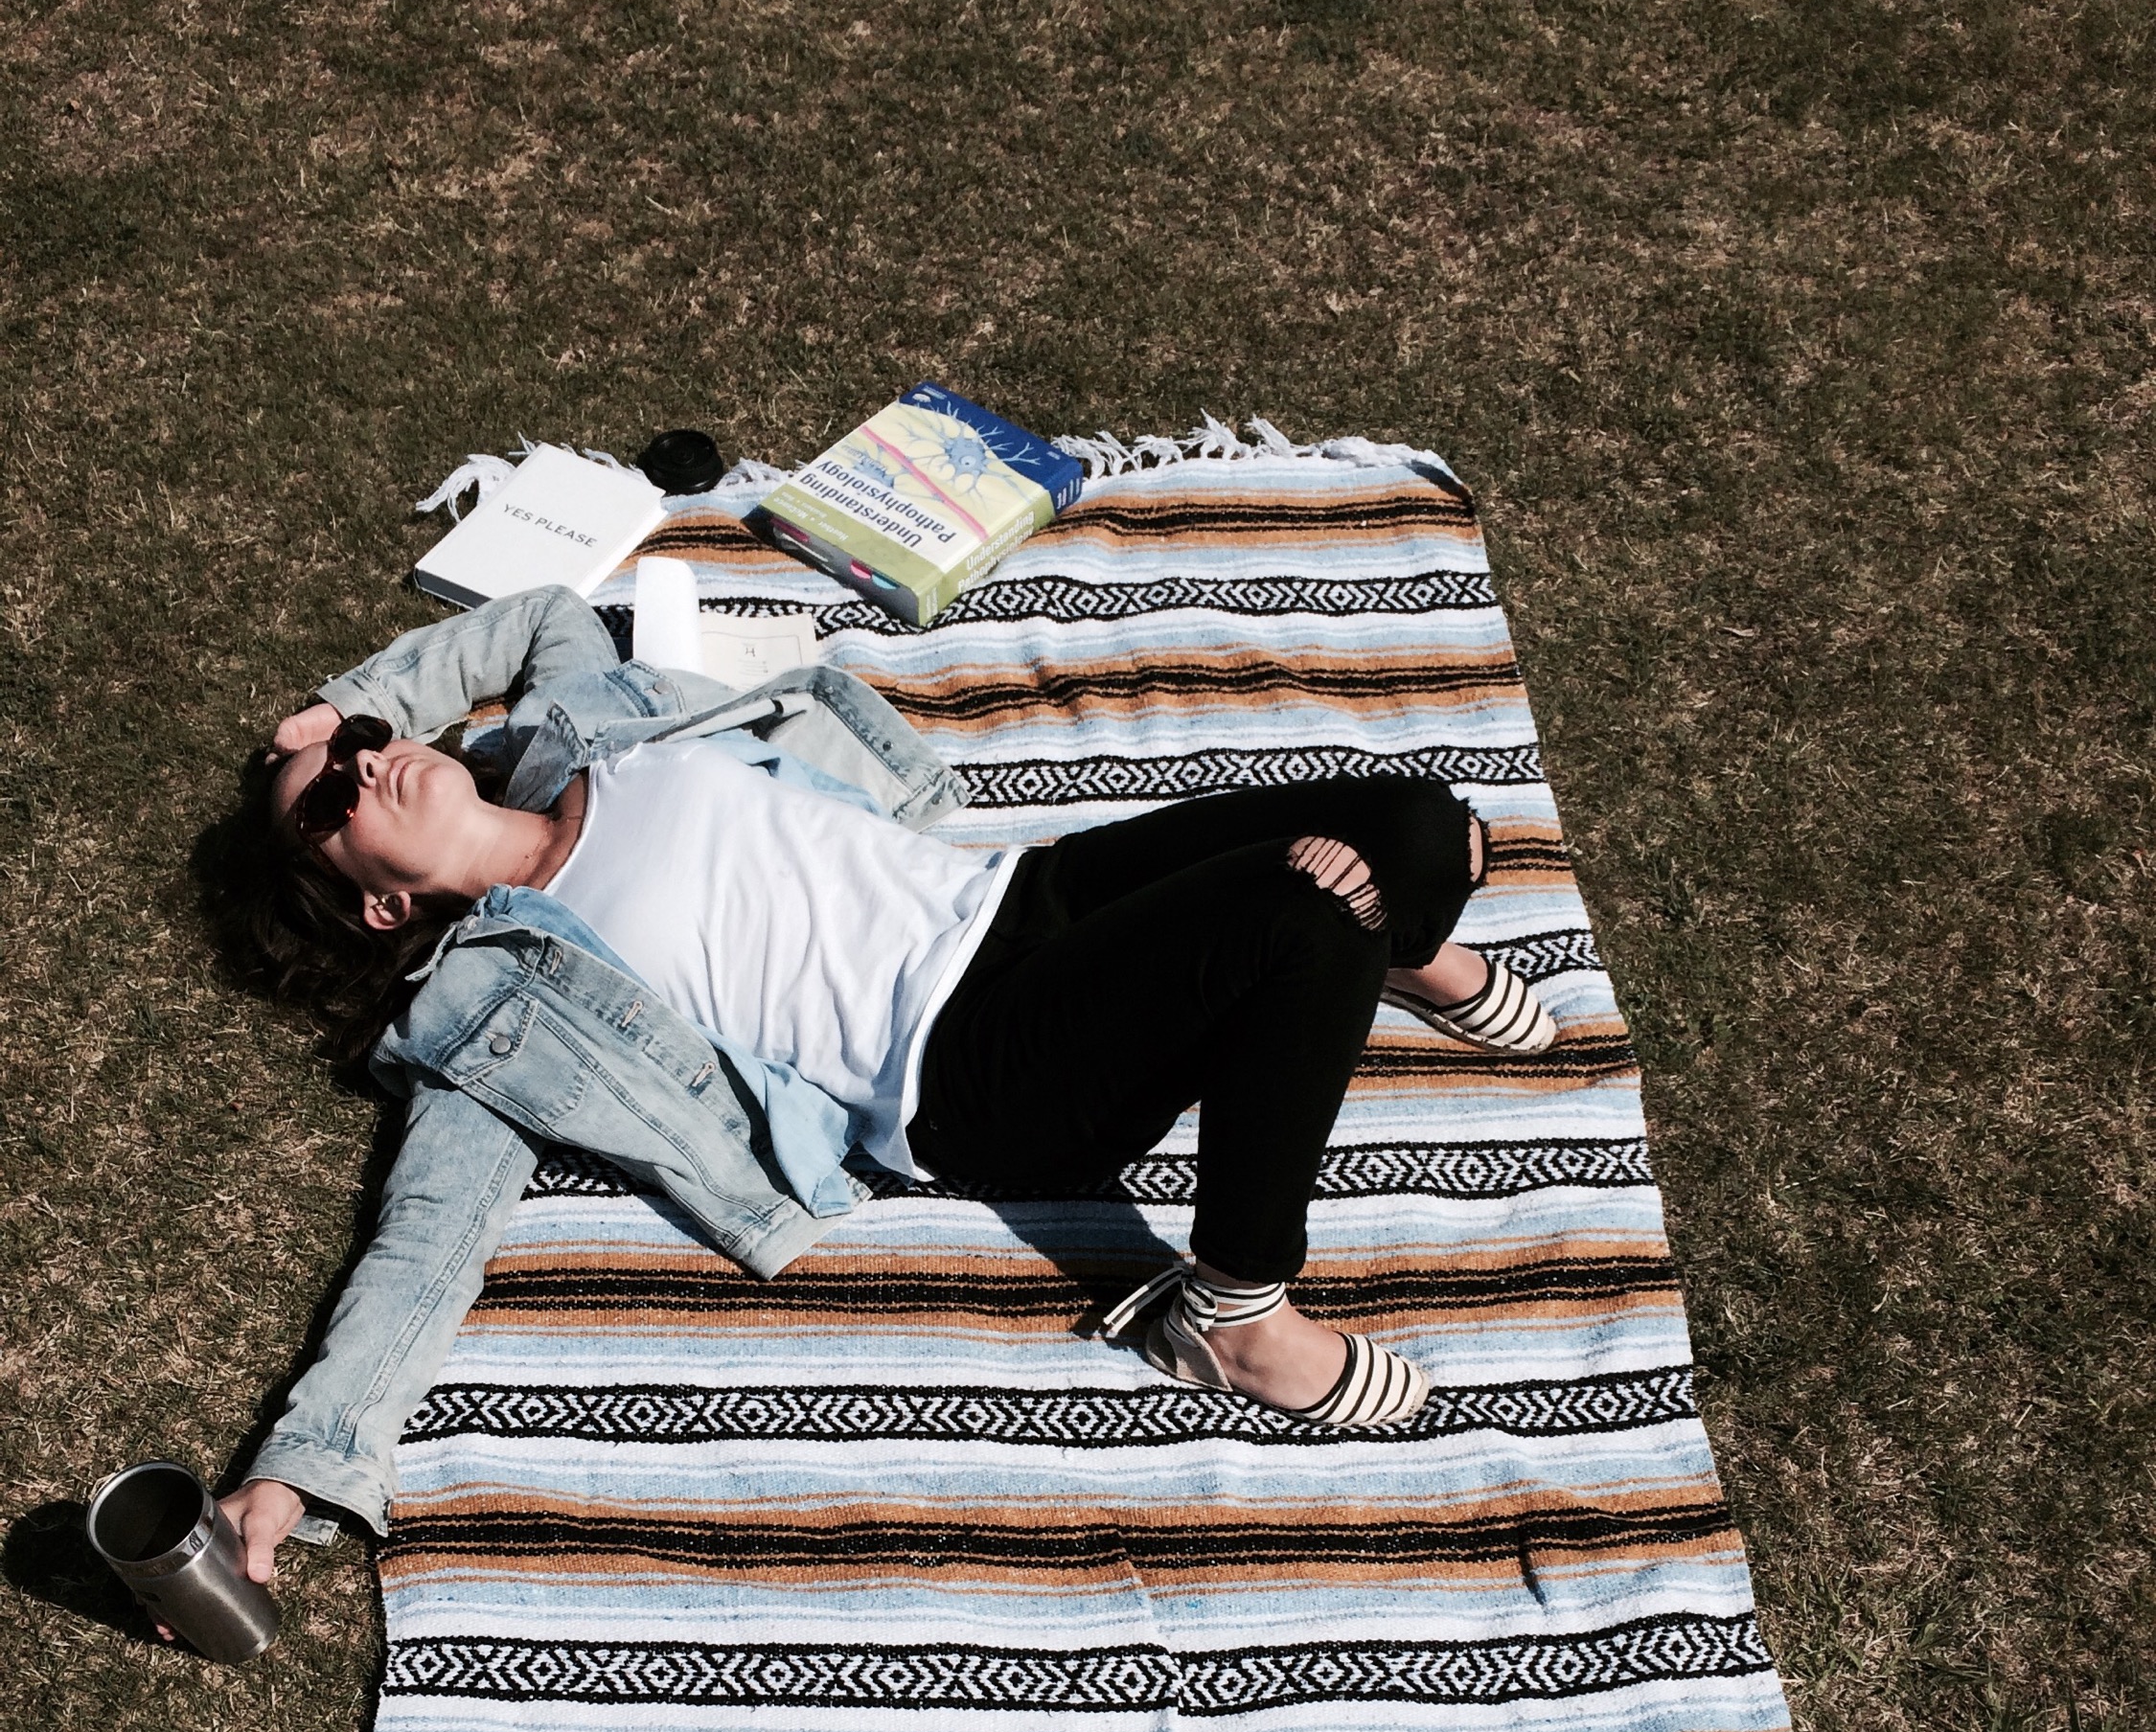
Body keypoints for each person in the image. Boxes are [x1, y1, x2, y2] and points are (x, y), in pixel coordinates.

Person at [213, 586, 1555, 1589]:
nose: (366, 763)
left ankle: (1386, 947)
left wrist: (333, 703)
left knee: (1416, 823)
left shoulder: (583, 731)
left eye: (366, 744)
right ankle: (1233, 1309)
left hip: (1013, 899)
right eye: (331, 802)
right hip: (967, 1066)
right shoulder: (496, 1004)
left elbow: (547, 614)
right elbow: (427, 1233)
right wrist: (299, 1467)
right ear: (379, 906)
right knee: (1303, 904)